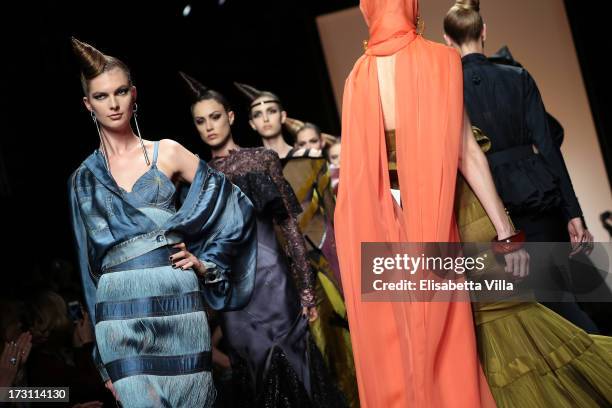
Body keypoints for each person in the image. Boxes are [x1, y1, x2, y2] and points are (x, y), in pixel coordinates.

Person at [335, 0, 528, 406]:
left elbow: (355, 177)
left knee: (393, 337)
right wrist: (506, 230)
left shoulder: (358, 75)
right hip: (432, 218)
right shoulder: (440, 60)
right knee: (442, 332)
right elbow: (466, 152)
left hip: (373, 224)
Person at [68, 38, 256, 407]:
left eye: (121, 91)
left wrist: (205, 262)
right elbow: (87, 268)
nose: (114, 103)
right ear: (88, 104)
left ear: (134, 94)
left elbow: (234, 208)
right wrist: (103, 363)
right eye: (102, 96)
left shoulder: (166, 152)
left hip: (177, 302)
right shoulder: (83, 179)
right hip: (117, 313)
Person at [180, 72, 346, 407]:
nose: (209, 126)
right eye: (200, 122)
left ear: (230, 117)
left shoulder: (261, 159)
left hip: (276, 284)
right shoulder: (198, 177)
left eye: (215, 117)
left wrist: (305, 288)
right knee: (255, 372)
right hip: (234, 295)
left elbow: (289, 227)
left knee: (299, 365)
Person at [443, 0, 598, 332]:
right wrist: (574, 212)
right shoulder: (516, 76)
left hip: (491, 205)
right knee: (565, 300)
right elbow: (548, 146)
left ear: (447, 40)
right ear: (484, 31)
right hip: (539, 192)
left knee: (532, 316)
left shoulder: (447, 88)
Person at [235, 83, 358, 406]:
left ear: (283, 115)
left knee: (344, 335)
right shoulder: (251, 170)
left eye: (271, 111)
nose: (265, 119)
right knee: (309, 345)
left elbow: (334, 214)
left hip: (325, 257)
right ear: (250, 124)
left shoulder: (311, 159)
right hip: (282, 270)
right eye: (257, 114)